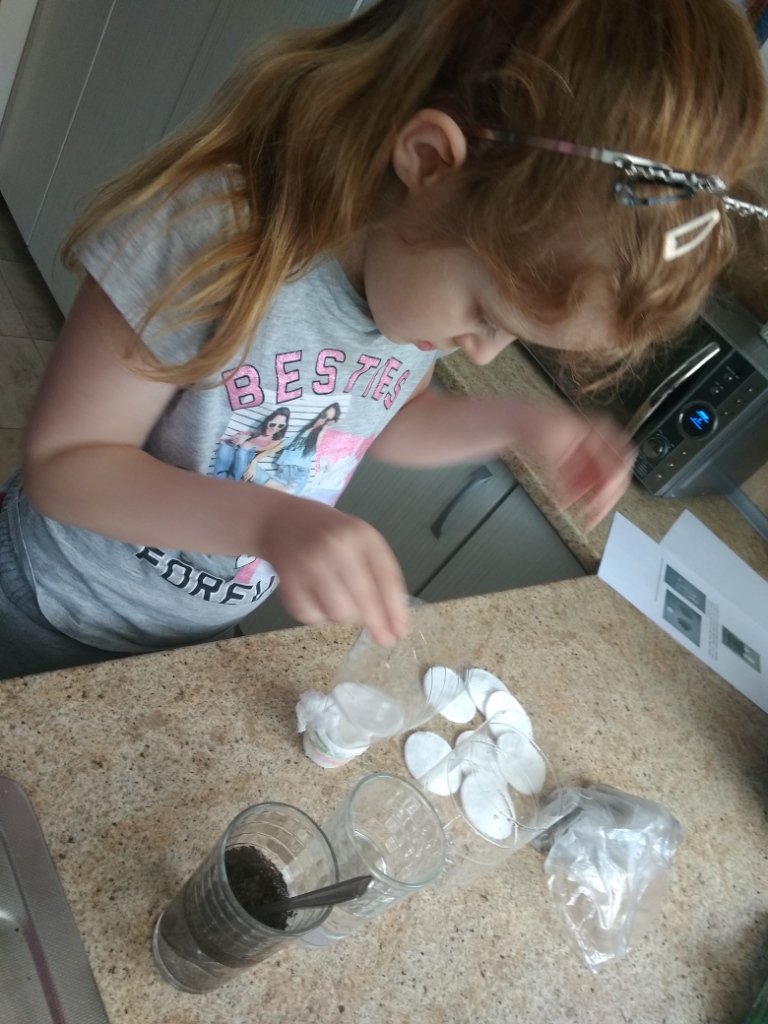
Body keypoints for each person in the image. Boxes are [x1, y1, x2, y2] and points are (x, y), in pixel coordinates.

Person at [1, 0, 766, 679]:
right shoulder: (212, 238)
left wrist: (521, 423)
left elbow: (390, 417)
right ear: (429, 162)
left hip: (183, 641)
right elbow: (65, 466)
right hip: (47, 611)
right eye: (486, 314)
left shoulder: (412, 283)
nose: (481, 351)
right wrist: (269, 522)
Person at [252, 404, 341, 494]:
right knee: (251, 470)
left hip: (300, 472)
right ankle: (281, 490)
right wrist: (255, 461)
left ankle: (282, 490)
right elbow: (273, 449)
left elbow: (317, 449)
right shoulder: (296, 435)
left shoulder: (316, 439)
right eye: (323, 415)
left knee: (291, 488)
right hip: (283, 472)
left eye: (327, 421)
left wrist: (322, 430)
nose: (322, 421)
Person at [213, 407, 290, 480]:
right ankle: (219, 480)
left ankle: (233, 482)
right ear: (267, 422)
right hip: (232, 458)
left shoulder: (275, 441)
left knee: (245, 447)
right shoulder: (253, 434)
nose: (274, 428)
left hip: (243, 462)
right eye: (272, 424)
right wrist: (235, 438)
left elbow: (262, 449)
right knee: (226, 446)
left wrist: (244, 443)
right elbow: (232, 438)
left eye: (280, 426)